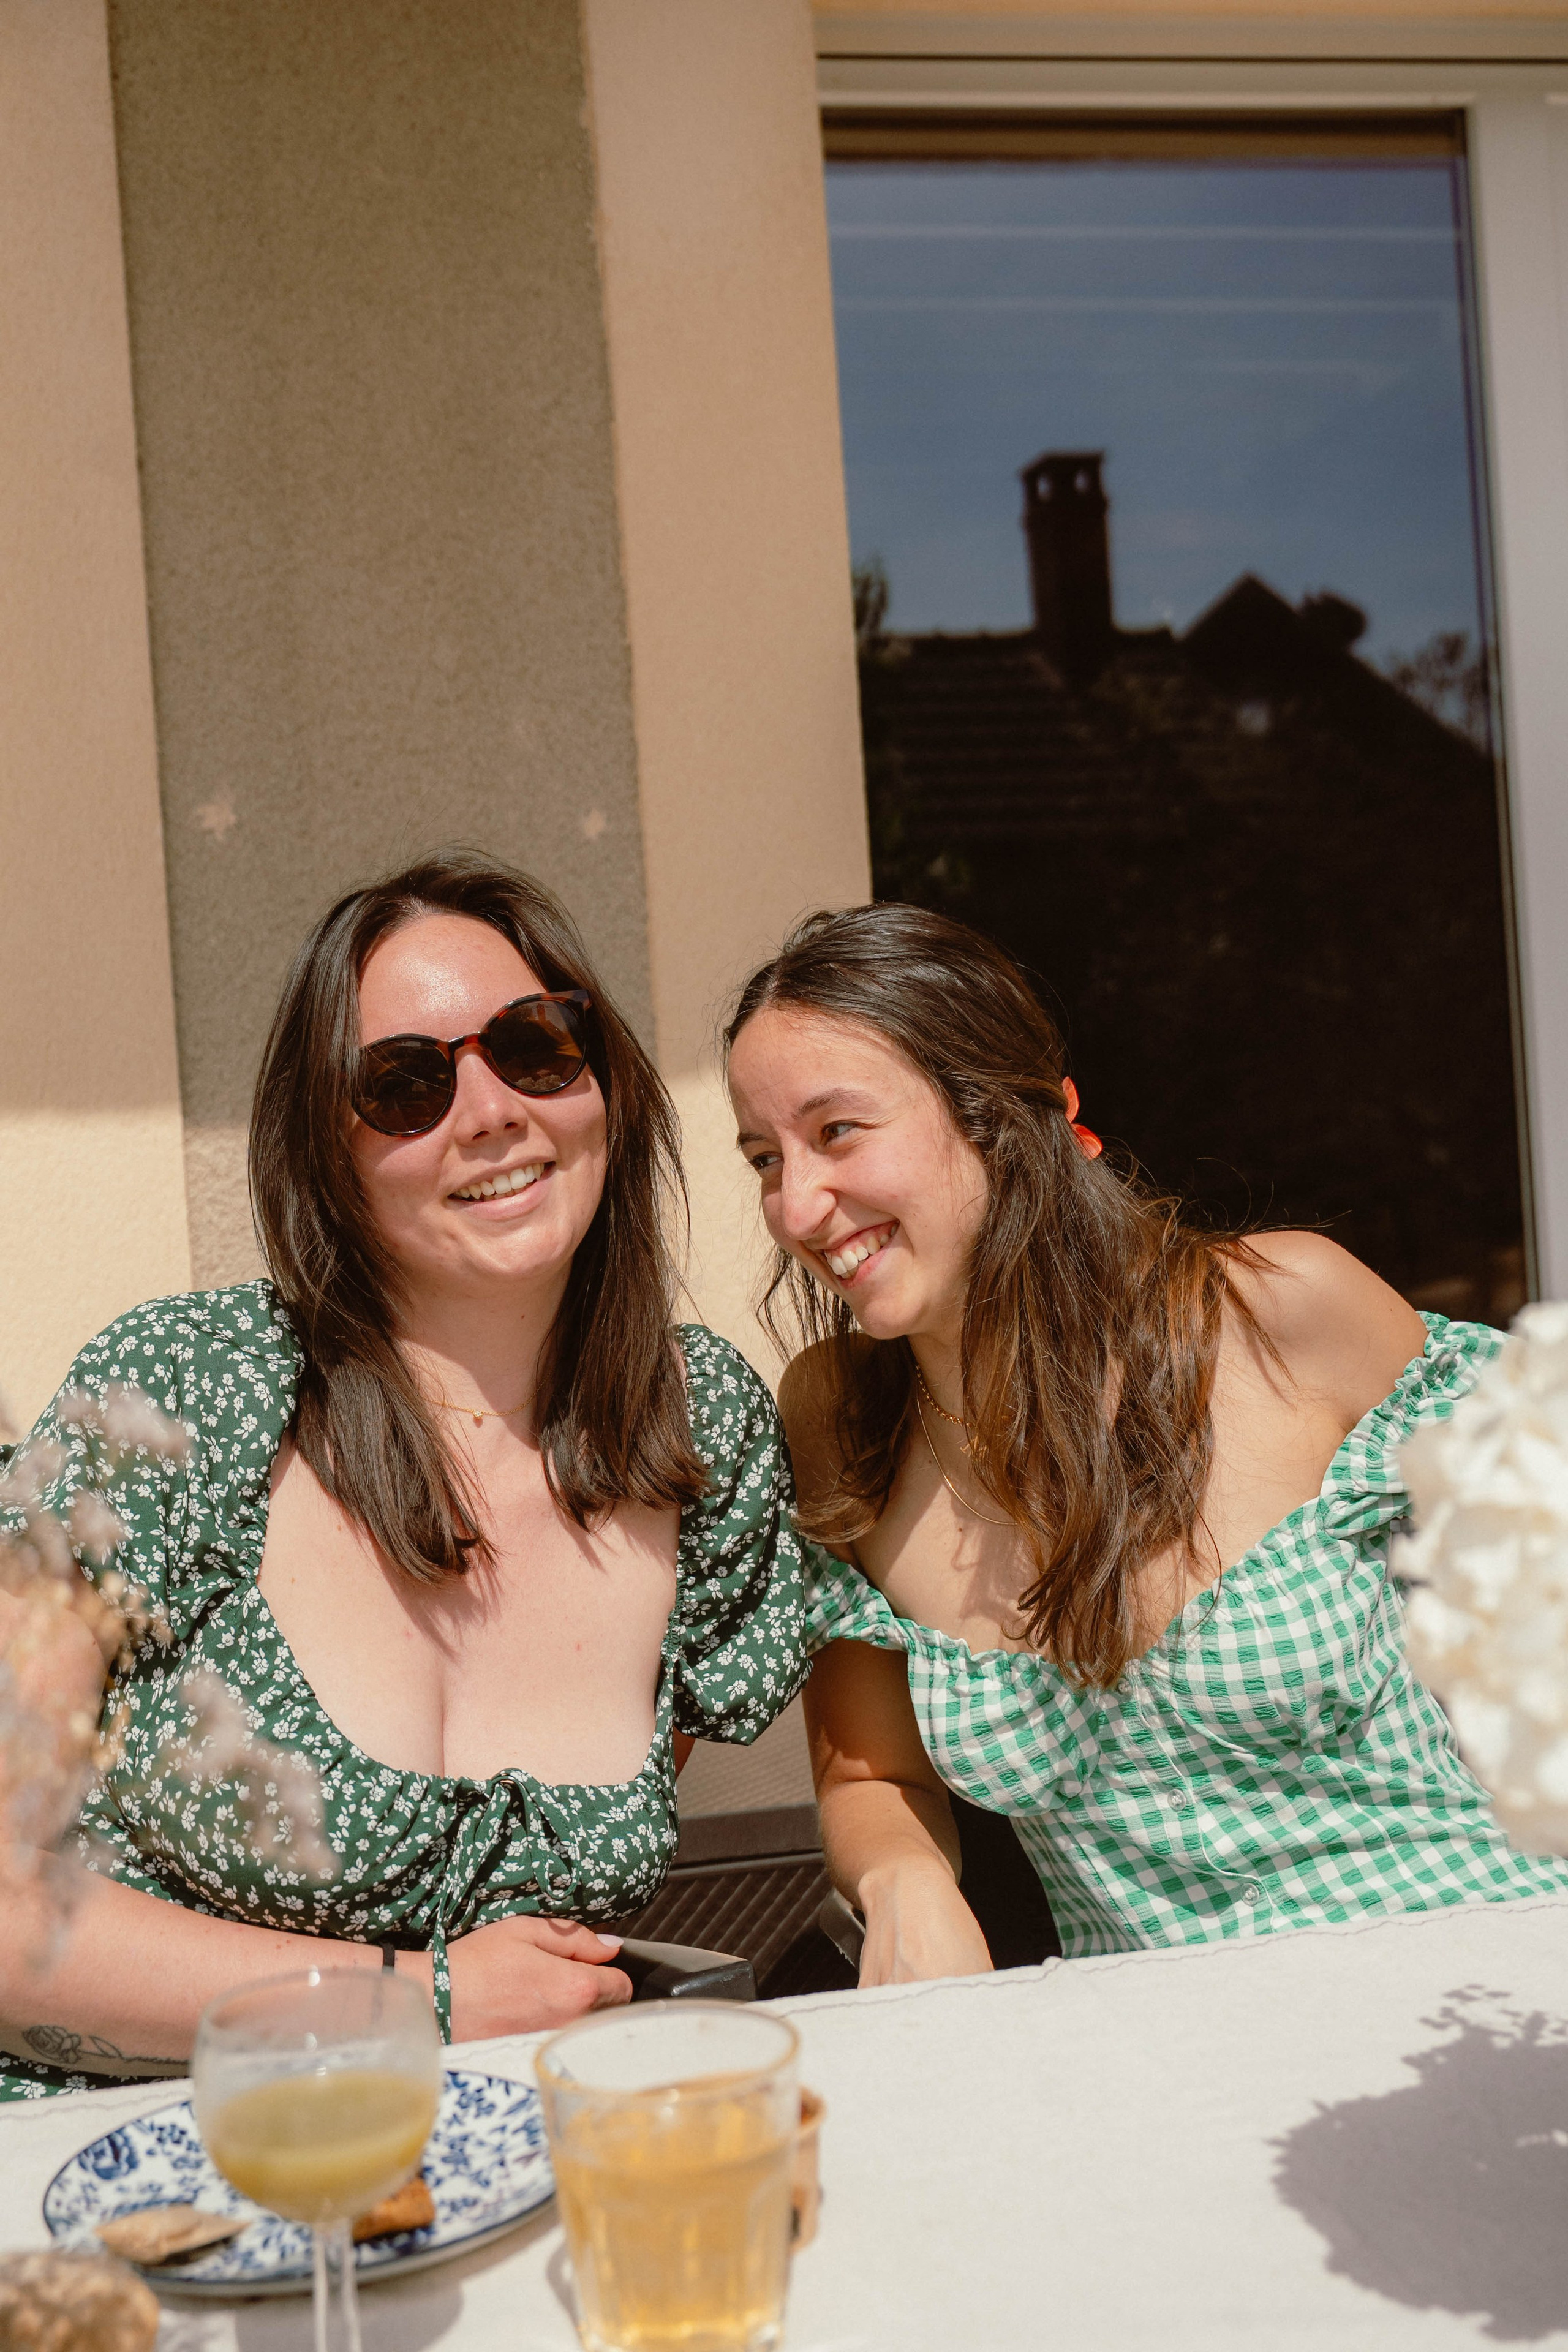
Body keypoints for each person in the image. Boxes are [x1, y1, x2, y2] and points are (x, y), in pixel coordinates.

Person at [0, 850, 807, 2097]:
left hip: (506, 2181)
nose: (488, 1111)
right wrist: (413, 2001)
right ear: (326, 1153)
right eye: (404, 1084)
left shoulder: (698, 1430)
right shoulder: (169, 1393)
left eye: (536, 1045)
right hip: (148, 2177)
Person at [724, 903, 1568, 1986]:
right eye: (763, 1158)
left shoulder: (1278, 1310)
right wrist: (907, 1884)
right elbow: (871, 1774)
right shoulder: (841, 1419)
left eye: (837, 1132)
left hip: (1472, 1980)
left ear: (990, 1114)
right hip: (1158, 2054)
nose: (796, 1204)